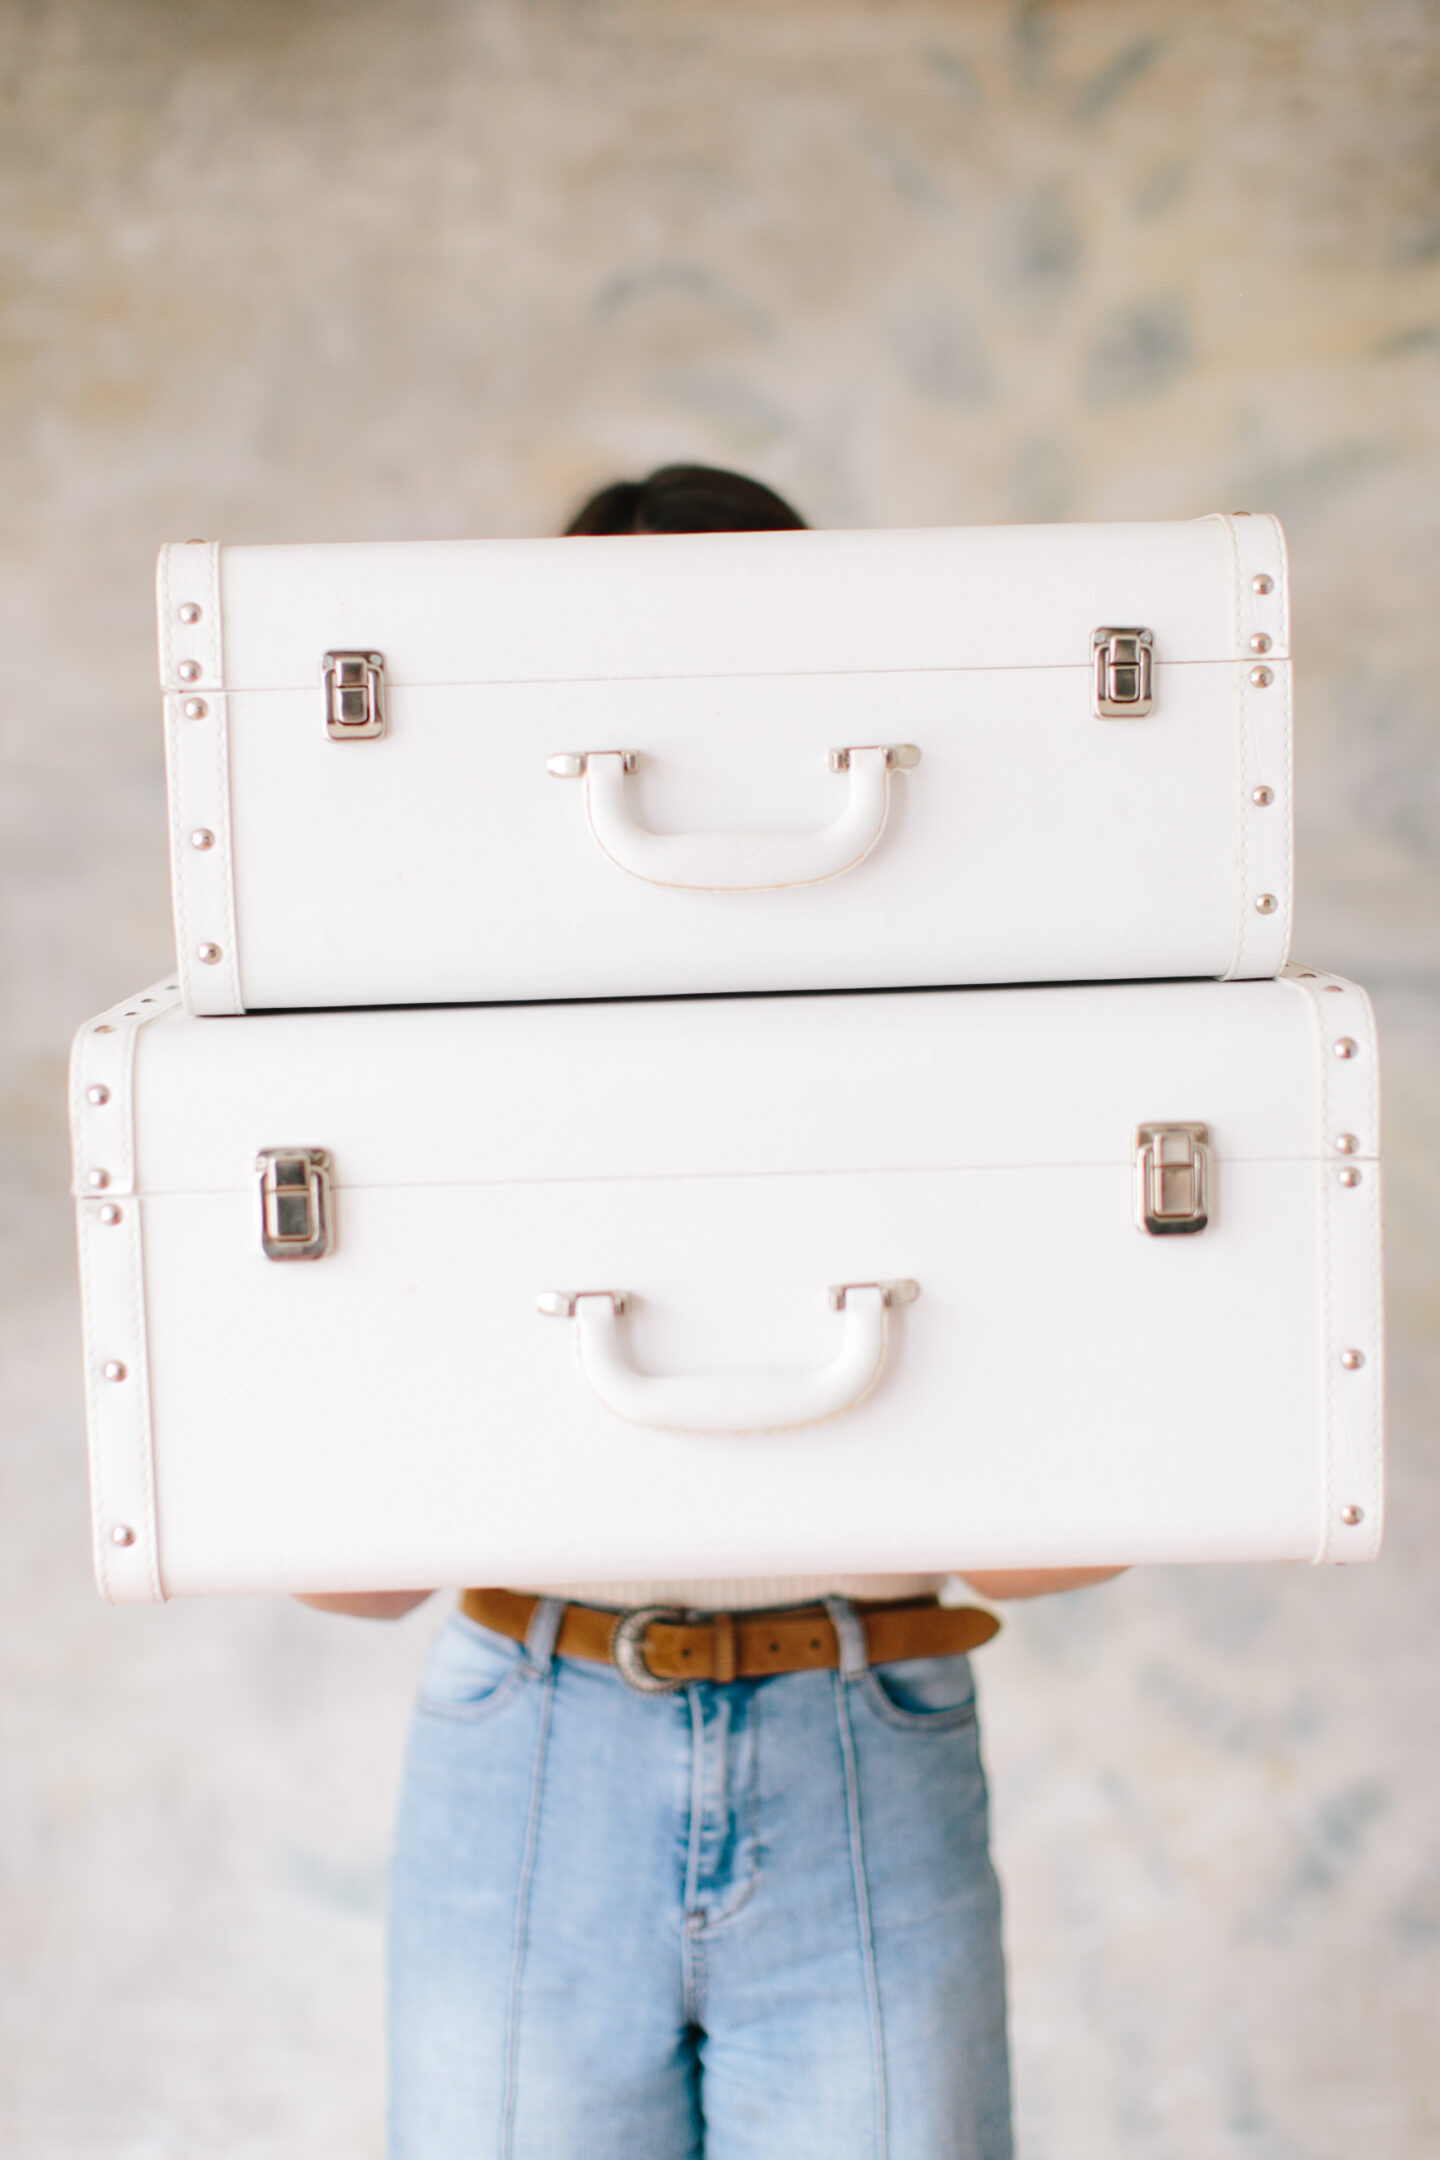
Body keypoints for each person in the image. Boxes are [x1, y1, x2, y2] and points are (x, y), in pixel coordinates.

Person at [301, 464, 1124, 2160]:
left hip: (864, 1730)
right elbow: (351, 1572)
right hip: (530, 1741)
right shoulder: (432, 1021)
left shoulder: (964, 1001)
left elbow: (1045, 1551)